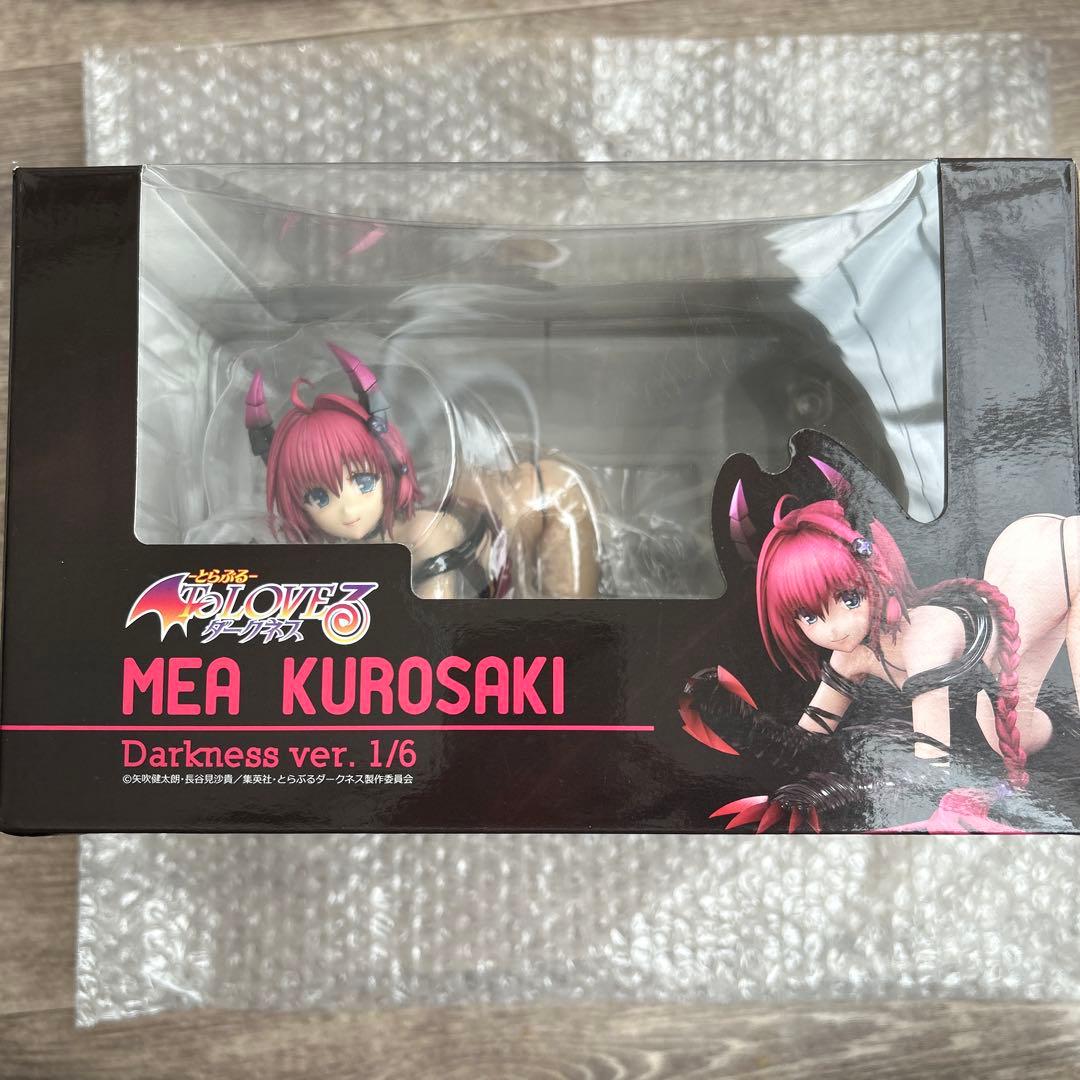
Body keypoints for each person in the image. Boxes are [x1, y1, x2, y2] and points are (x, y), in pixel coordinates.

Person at [244, 342, 600, 600]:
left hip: (505, 551)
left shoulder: (425, 536)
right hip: (461, 508)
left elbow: (434, 637)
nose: (348, 509)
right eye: (319, 497)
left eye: (363, 482)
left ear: (388, 469)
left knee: (553, 486)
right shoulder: (320, 551)